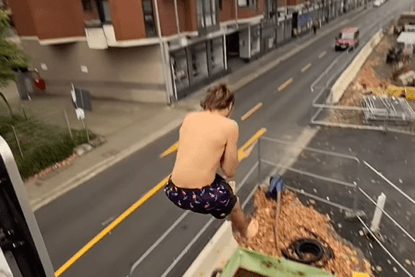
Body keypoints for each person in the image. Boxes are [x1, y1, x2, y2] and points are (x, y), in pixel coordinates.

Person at [164, 84, 258, 240]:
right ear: (229, 106)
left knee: (223, 187)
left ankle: (234, 223)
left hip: (173, 190)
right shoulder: (230, 126)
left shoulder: (189, 117)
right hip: (198, 196)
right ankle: (244, 233)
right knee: (233, 204)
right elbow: (229, 171)